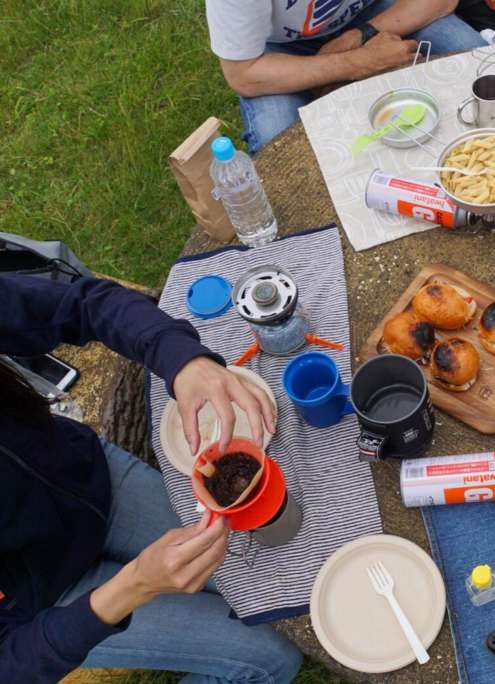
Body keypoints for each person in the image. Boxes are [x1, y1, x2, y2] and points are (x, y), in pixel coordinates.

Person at [0, 275, 302, 683]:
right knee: (271, 656)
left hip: (90, 480)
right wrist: (134, 587)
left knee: (263, 579)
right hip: (53, 599)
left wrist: (181, 358)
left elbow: (84, 303)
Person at [206, 0, 488, 153]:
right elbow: (243, 73)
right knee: (278, 145)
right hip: (275, 47)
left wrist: (363, 34)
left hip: (373, 11)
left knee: (479, 64)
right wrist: (358, 62)